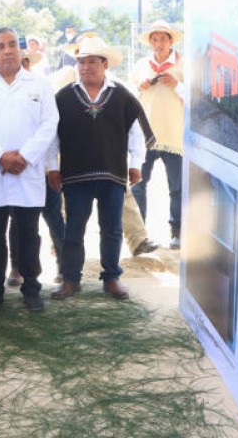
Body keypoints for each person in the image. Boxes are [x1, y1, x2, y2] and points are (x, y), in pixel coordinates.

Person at [0, 27, 58, 313]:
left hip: (27, 173)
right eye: (0, 46)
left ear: (20, 49)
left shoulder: (39, 85)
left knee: (29, 234)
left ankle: (32, 288)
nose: (7, 50)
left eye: (11, 45)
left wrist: (25, 156)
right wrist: (0, 156)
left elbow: (49, 125)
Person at [48, 35, 146, 301]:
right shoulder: (64, 97)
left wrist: (135, 163)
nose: (85, 67)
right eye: (81, 62)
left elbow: (136, 133)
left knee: (112, 228)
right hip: (75, 174)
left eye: (92, 62)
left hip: (112, 173)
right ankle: (71, 279)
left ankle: (111, 278)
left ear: (105, 64)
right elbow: (51, 135)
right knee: (74, 228)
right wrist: (51, 167)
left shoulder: (122, 94)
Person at [130, 19, 184, 249]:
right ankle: (140, 236)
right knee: (139, 184)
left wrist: (177, 85)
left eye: (162, 38)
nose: (158, 43)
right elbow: (130, 97)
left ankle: (177, 232)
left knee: (177, 187)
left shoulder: (184, 65)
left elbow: (198, 98)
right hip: (146, 135)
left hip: (174, 135)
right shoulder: (141, 65)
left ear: (171, 41)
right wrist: (139, 88)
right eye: (154, 39)